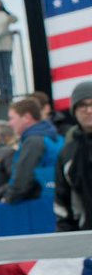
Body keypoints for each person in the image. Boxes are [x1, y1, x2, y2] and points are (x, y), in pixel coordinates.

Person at [2, 97, 62, 203]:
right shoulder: (55, 137)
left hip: (40, 204)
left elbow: (23, 180)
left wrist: (8, 198)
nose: (9, 123)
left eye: (12, 118)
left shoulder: (33, 142)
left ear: (26, 117)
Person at [55, 82, 92, 230]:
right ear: (74, 111)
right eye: (82, 105)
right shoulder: (67, 154)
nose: (89, 110)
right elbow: (64, 203)